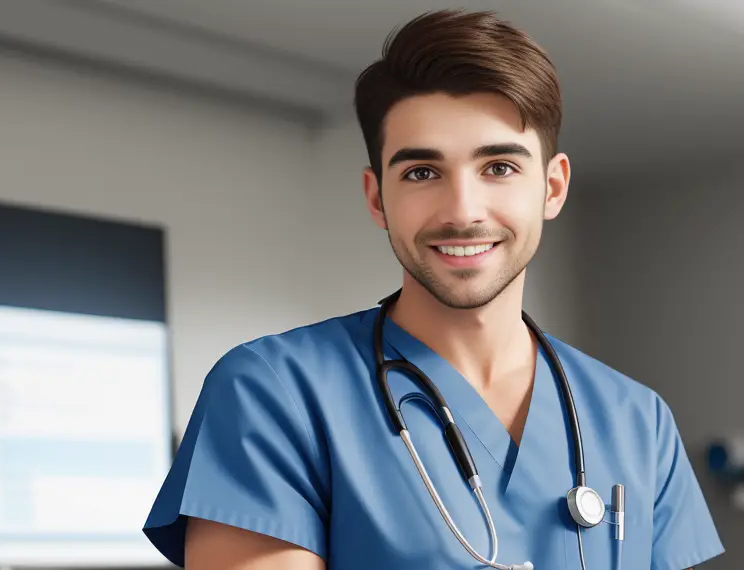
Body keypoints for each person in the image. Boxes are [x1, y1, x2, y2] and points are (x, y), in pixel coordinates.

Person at [142, 10, 724, 570]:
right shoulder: (273, 394)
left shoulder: (638, 420)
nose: (463, 211)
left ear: (552, 187)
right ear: (377, 198)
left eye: (499, 167)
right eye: (422, 172)